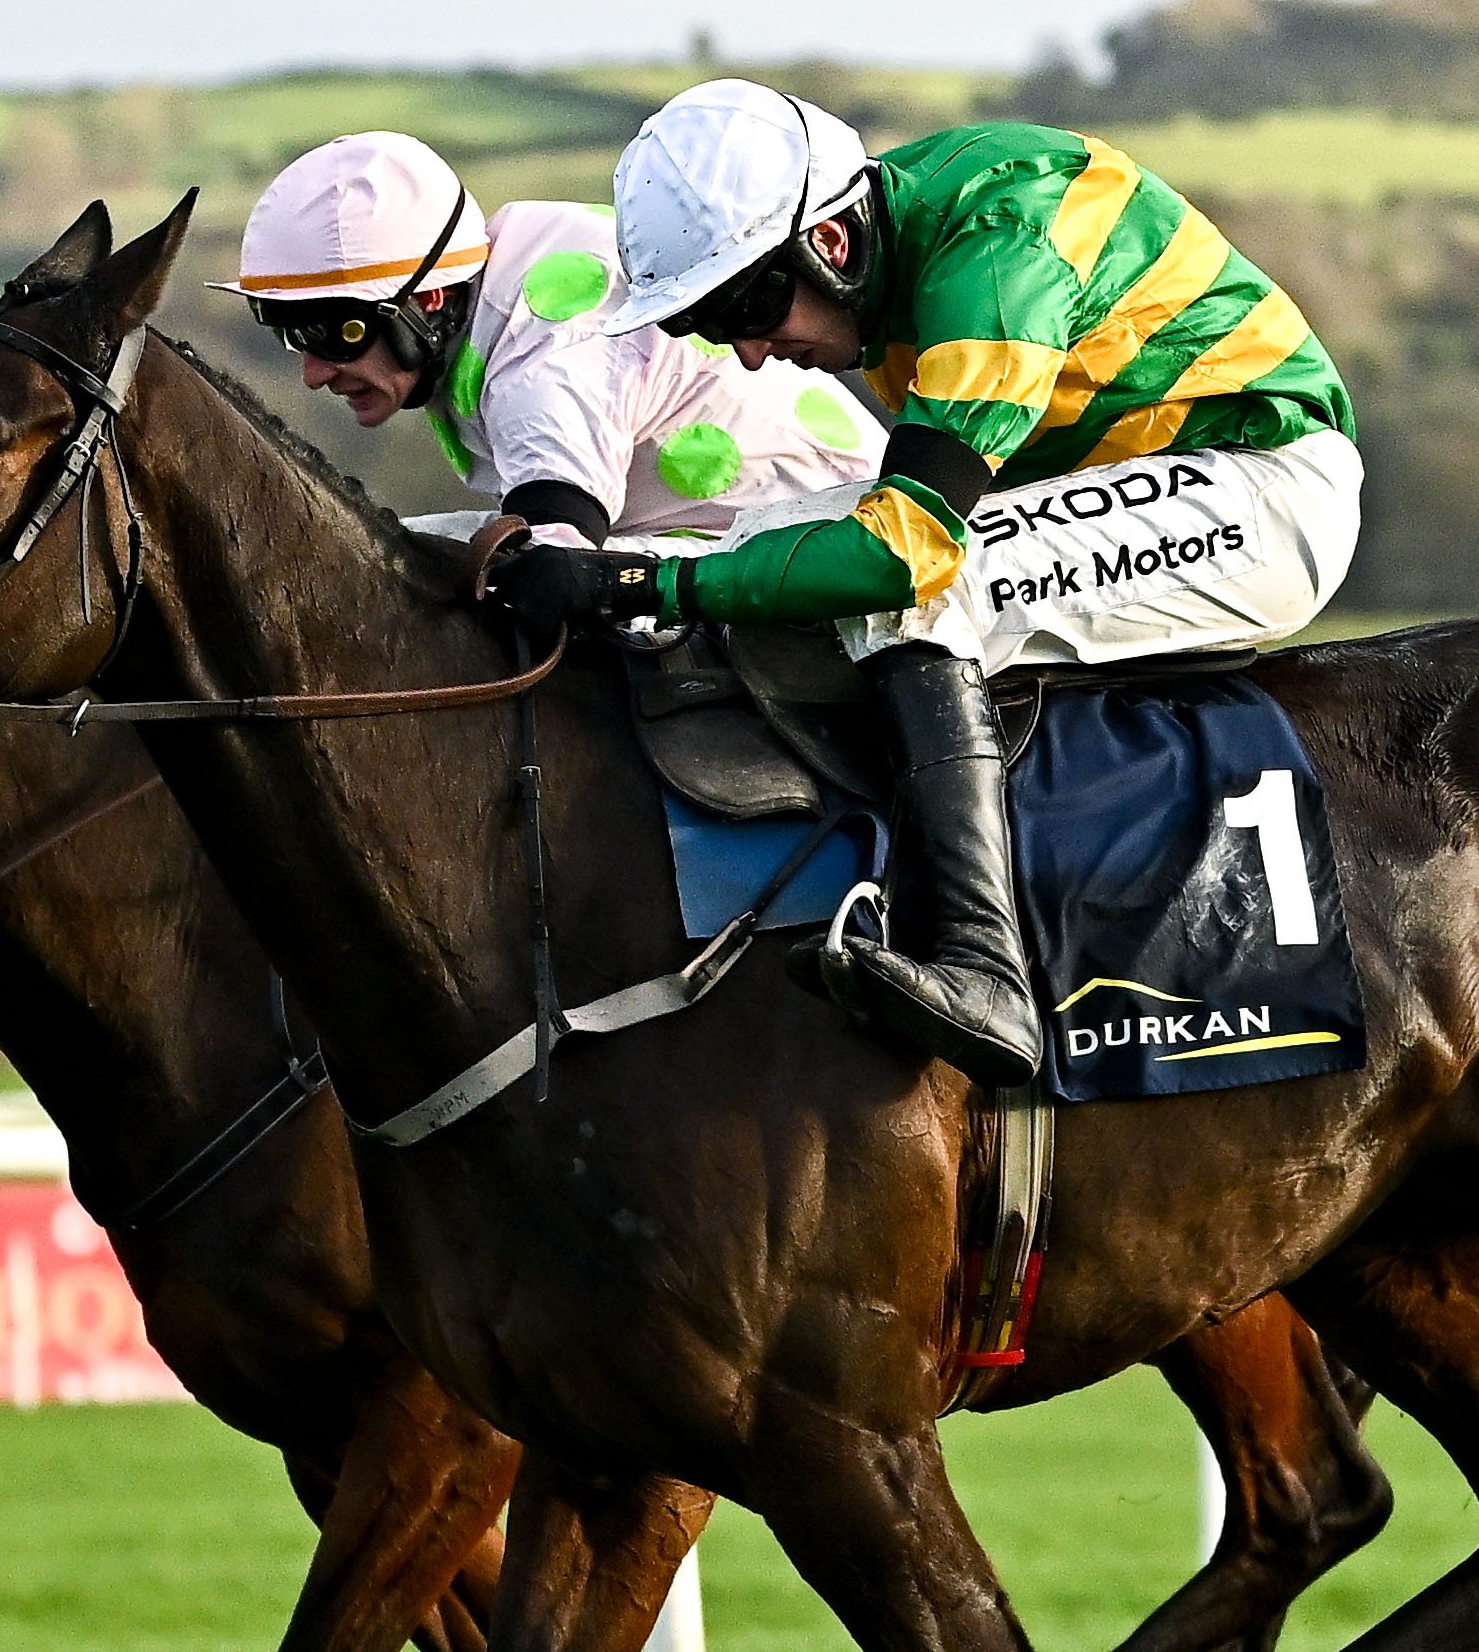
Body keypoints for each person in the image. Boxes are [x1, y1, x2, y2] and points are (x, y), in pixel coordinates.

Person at [491, 83, 1361, 1088]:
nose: (748, 354)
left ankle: (985, 968)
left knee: (918, 588)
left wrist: (638, 579)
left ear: (832, 242)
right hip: (1157, 477)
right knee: (773, 531)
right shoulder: (899, 248)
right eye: (704, 326)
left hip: (1262, 489)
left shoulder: (990, 261)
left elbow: (907, 551)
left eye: (745, 308)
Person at [218, 130, 879, 551]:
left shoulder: (543, 339)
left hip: (820, 541)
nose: (312, 374)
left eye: (335, 334)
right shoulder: (509, 265)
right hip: (717, 530)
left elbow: (559, 542)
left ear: (429, 299)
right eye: (291, 336)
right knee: (384, 548)